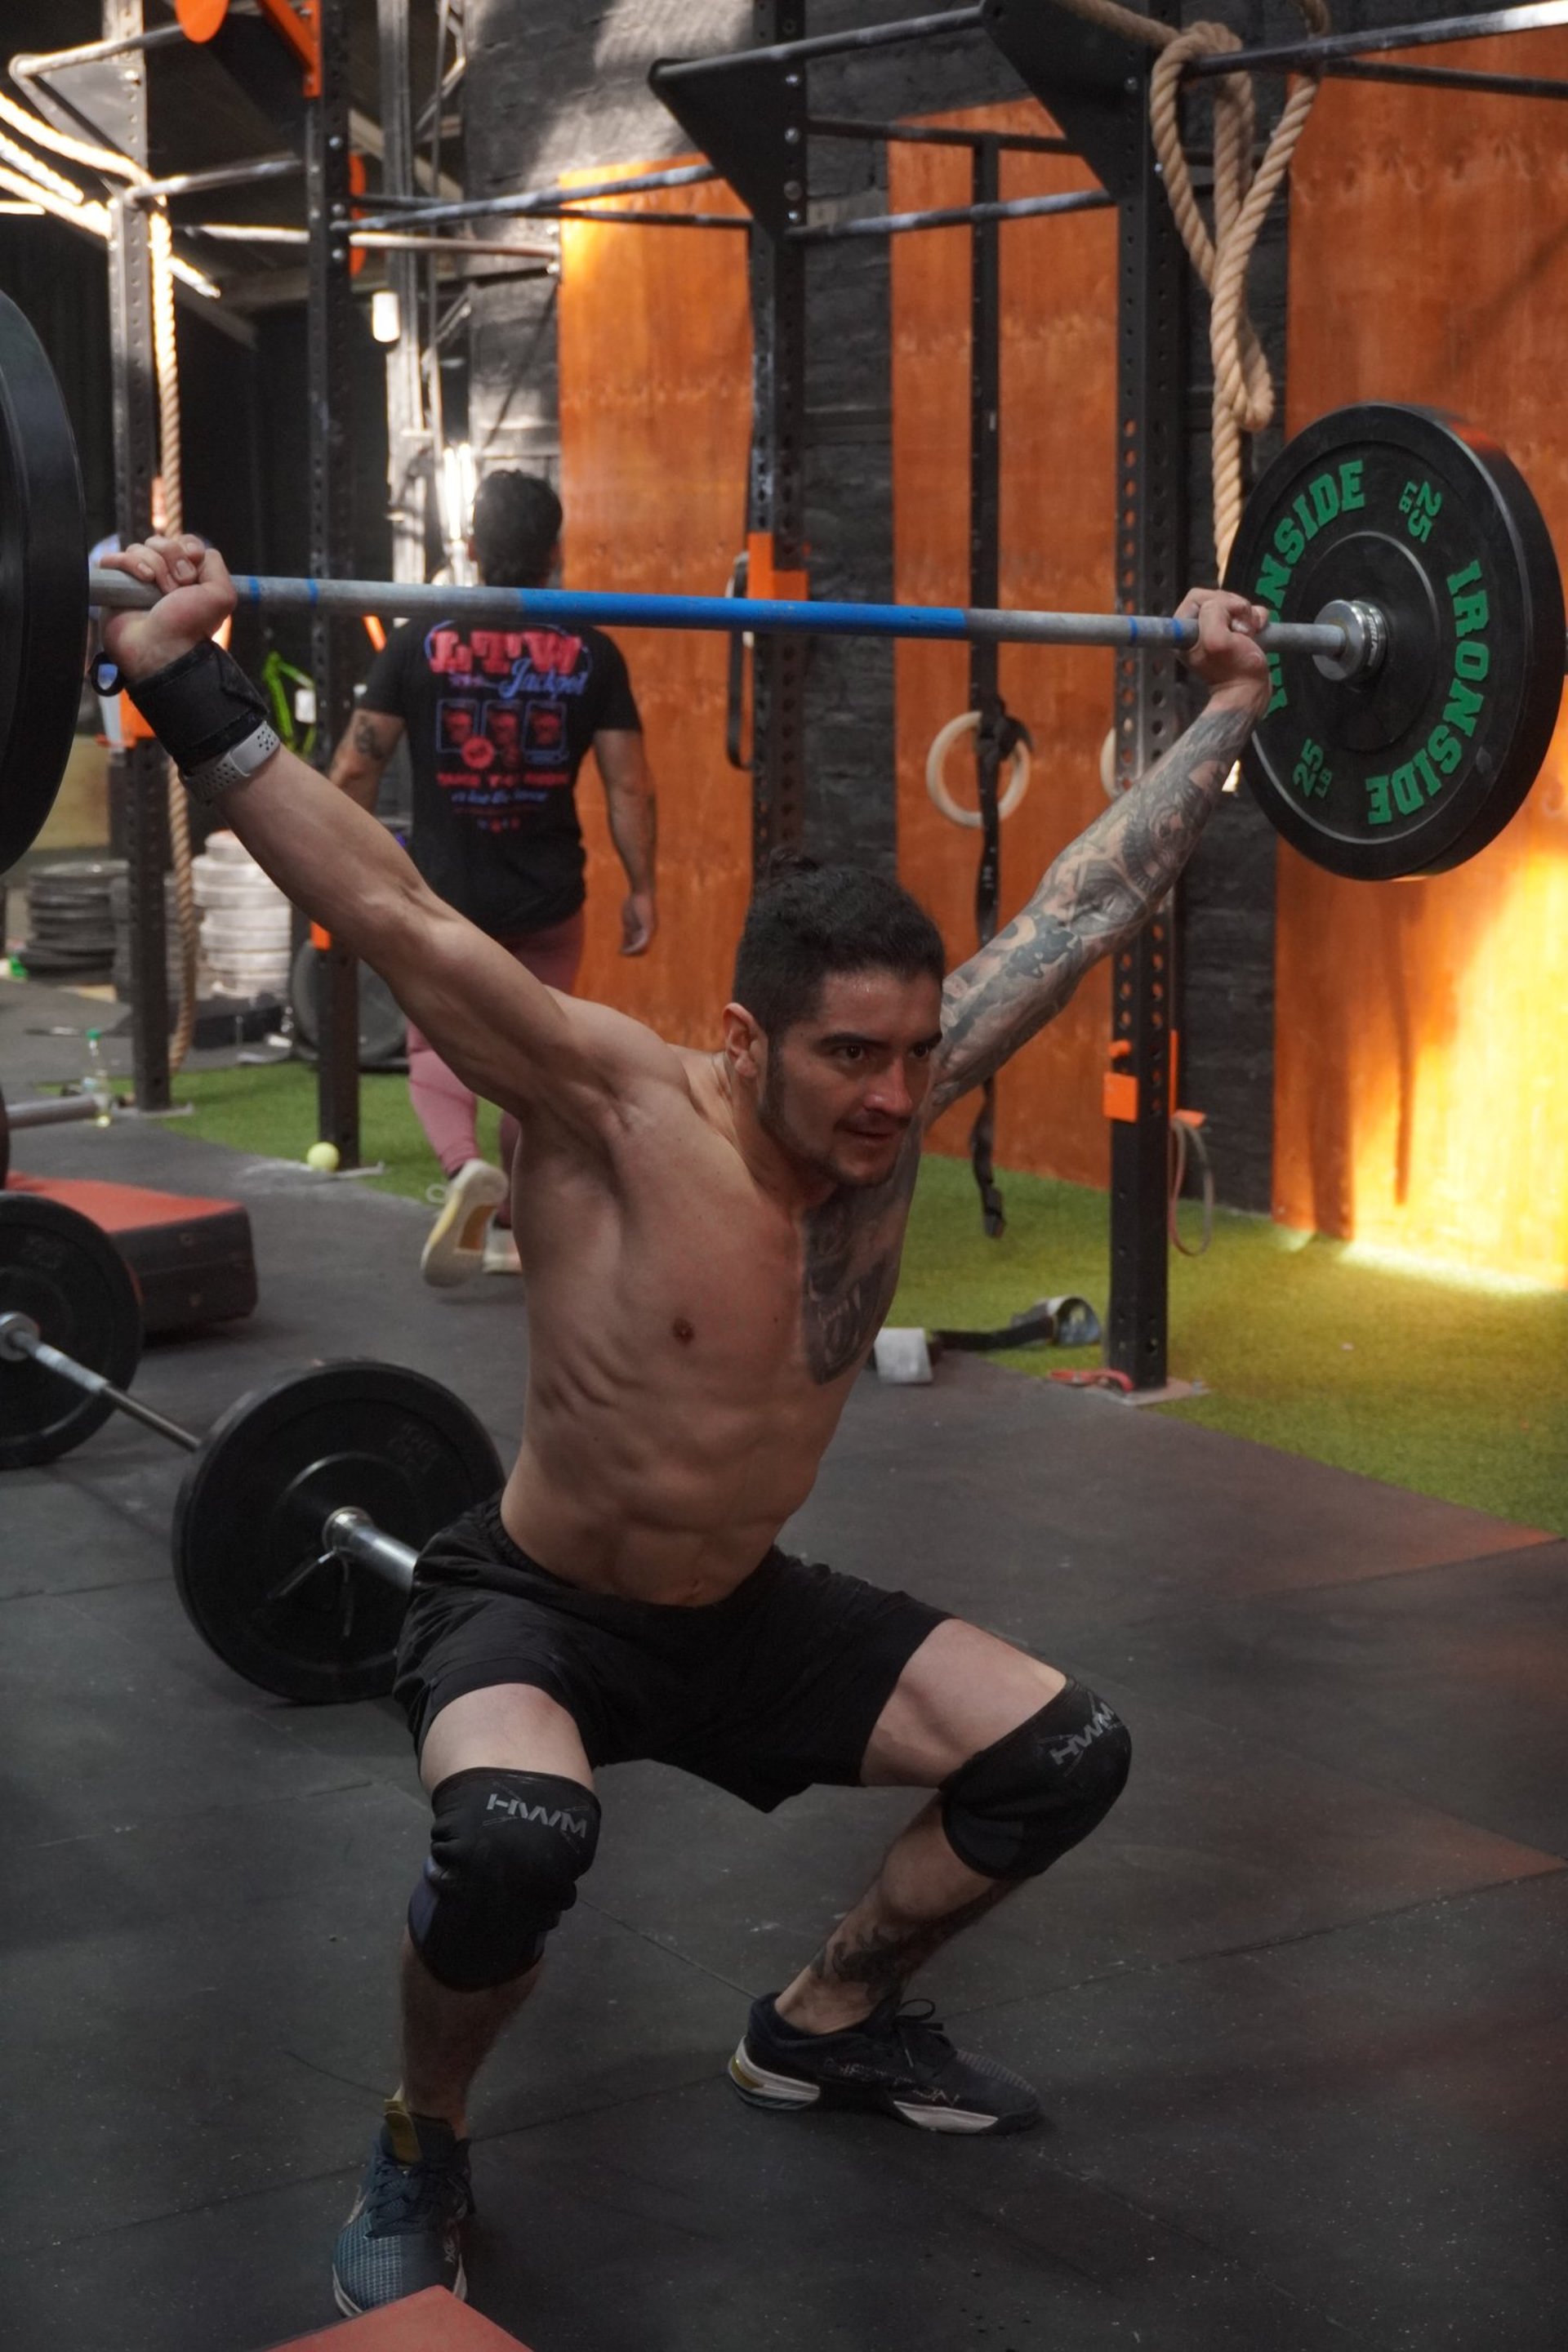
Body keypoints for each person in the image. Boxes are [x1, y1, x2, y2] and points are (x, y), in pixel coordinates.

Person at [99, 533, 1270, 2323]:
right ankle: (425, 2136)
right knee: (514, 1850)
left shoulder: (905, 1086)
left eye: (914, 1053)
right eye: (851, 1060)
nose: (896, 1097)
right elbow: (400, 908)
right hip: (537, 1611)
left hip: (741, 1609)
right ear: (743, 1039)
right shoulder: (610, 1104)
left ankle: (823, 2021)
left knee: (1064, 1755)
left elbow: (1091, 902)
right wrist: (182, 678)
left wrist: (1230, 713)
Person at [328, 471, 657, 1284]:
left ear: (471, 547)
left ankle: (463, 1168)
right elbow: (629, 784)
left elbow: (351, 771)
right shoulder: (592, 649)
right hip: (548, 897)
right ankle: (511, 1215)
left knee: (436, 1036)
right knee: (538, 1050)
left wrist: (344, 879)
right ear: (555, 552)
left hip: (446, 897)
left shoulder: (417, 639)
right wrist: (643, 885)